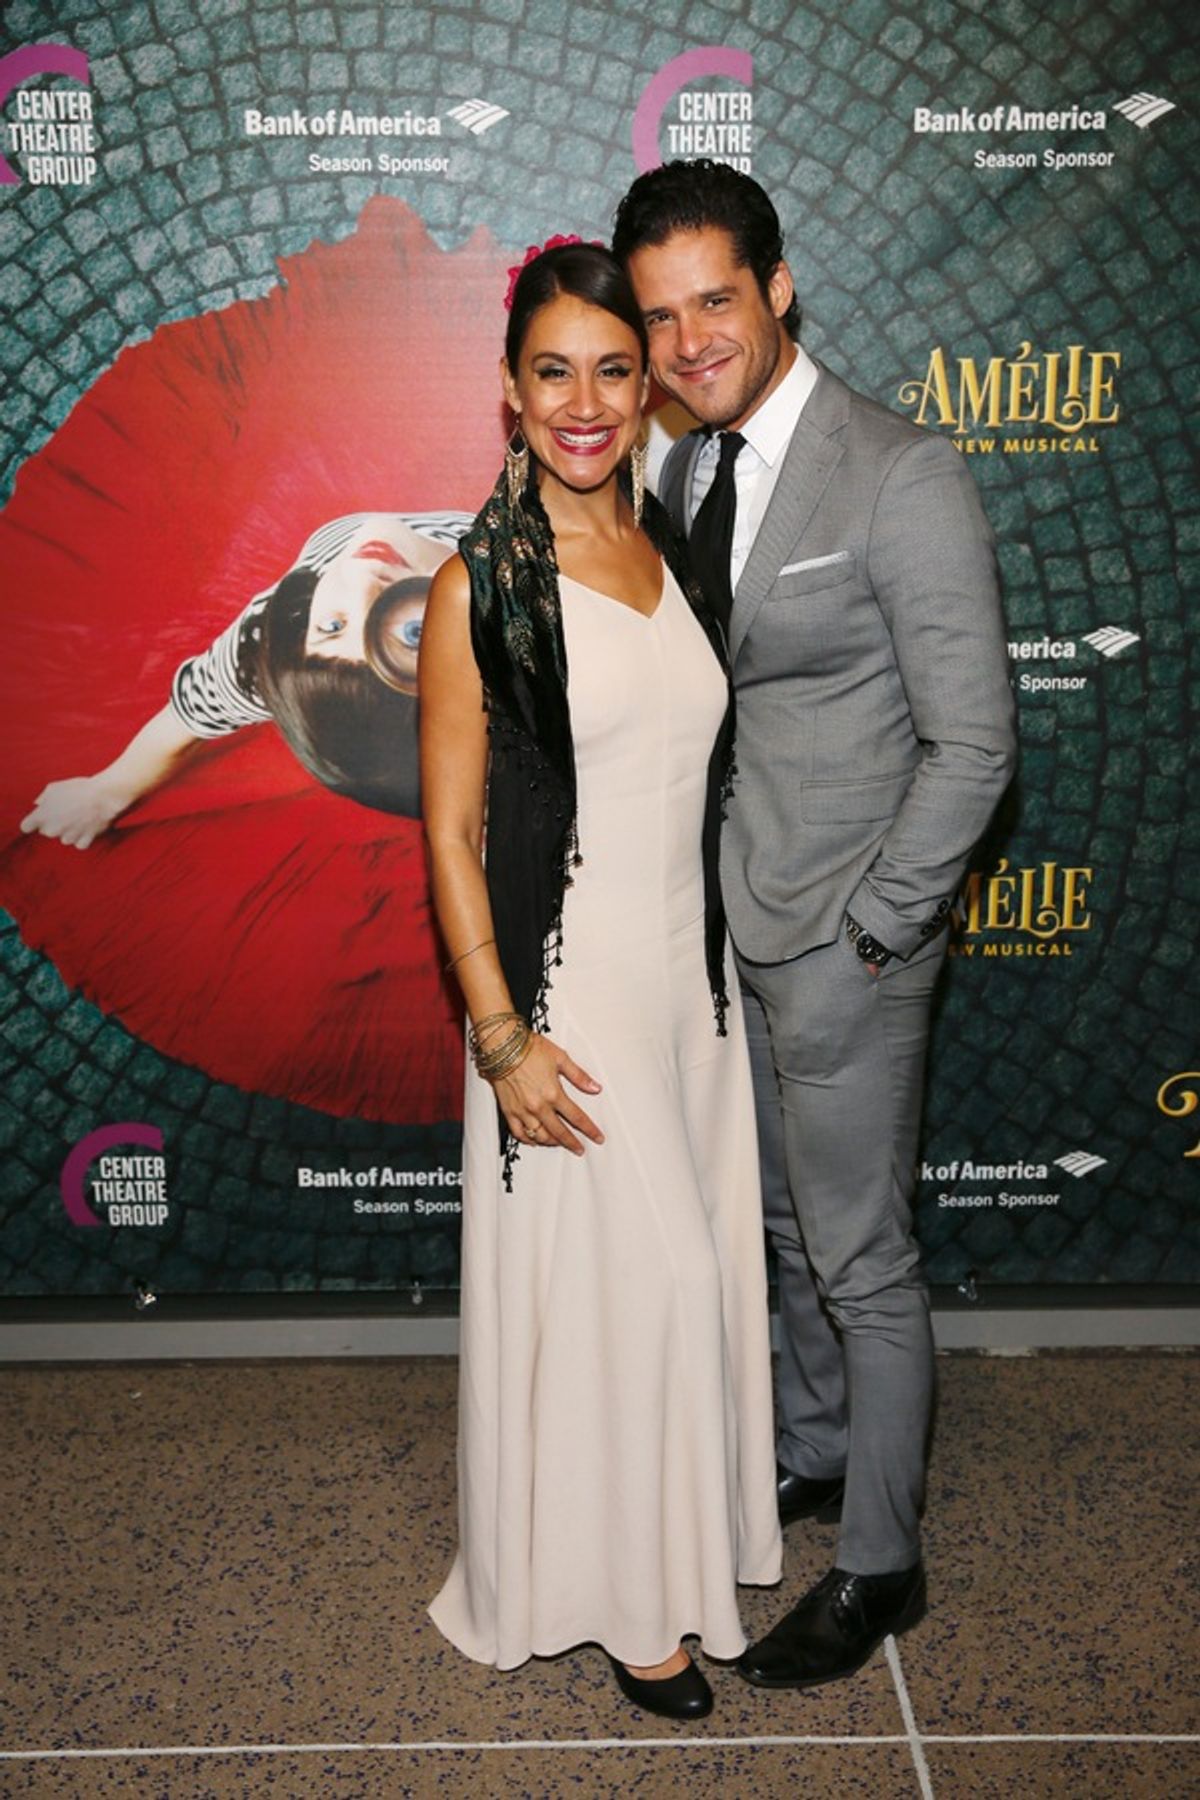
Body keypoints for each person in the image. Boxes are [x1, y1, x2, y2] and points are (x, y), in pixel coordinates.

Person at [613, 161, 1017, 1688]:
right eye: (660, 316)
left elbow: (974, 743)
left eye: (716, 299)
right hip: (728, 931)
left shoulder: (897, 470)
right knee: (784, 1232)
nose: (688, 339)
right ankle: (816, 1454)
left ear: (779, 290)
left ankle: (882, 1563)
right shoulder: (680, 473)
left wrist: (879, 931)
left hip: (847, 936)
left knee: (860, 1257)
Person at [420, 239, 781, 1720]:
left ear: (646, 389)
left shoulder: (675, 547)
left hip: (685, 996)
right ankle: (632, 1607)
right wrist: (501, 1036)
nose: (585, 402)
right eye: (551, 373)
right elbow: (447, 832)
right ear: (509, 394)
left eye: (612, 371)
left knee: (666, 1306)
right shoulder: (478, 585)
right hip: (560, 1002)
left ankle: (663, 1558)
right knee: (646, 1290)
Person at [20, 511, 469, 846]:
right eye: (414, 635)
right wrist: (107, 793)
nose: (358, 579)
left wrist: (107, 788)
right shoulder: (276, 642)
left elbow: (188, 713)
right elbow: (194, 711)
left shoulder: (282, 630)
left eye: (332, 627)